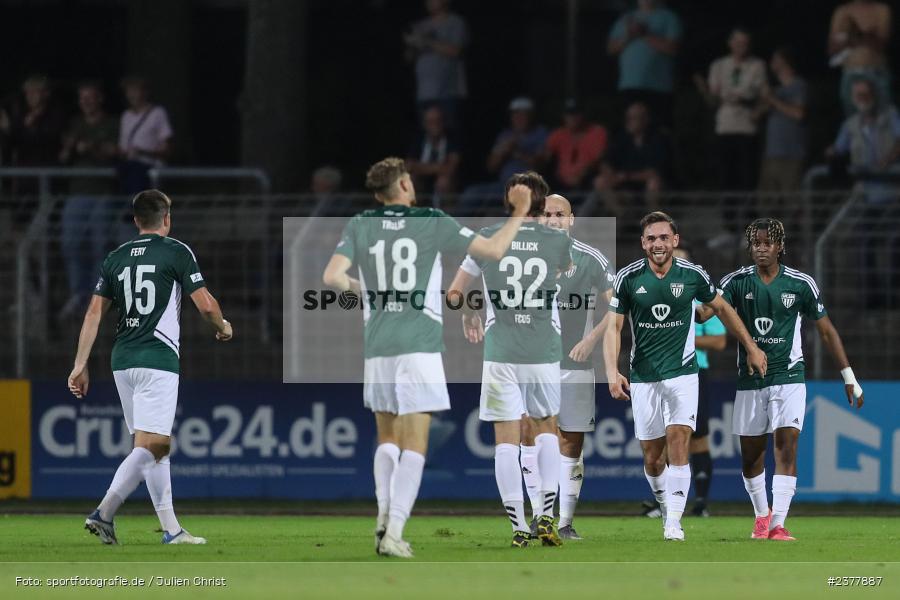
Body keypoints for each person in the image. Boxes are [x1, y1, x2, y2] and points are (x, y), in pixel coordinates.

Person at [322, 157, 532, 558]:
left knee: (386, 438)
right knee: (415, 442)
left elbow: (331, 277)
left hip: (379, 344)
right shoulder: (431, 219)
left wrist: (363, 289)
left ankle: (383, 518)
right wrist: (520, 210)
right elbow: (494, 249)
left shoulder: (360, 223)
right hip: (419, 344)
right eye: (409, 179)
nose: (413, 184)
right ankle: (395, 531)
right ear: (402, 185)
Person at [69, 189, 233, 546]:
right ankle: (104, 512)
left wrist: (80, 364)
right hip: (157, 358)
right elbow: (205, 304)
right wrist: (223, 326)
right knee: (154, 444)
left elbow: (94, 313)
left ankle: (172, 530)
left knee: (153, 445)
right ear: (167, 219)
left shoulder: (115, 258)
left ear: (136, 221)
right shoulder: (176, 251)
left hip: (122, 361)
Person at [603, 211, 767, 541]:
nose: (658, 243)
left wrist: (750, 345)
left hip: (684, 374)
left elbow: (722, 309)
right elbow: (615, 327)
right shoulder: (628, 278)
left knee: (680, 439)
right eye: (651, 238)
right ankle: (665, 505)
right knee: (652, 457)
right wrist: (612, 372)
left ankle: (673, 522)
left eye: (664, 237)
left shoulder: (692, 276)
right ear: (643, 243)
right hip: (644, 376)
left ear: (674, 241)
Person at [704, 218, 863, 540]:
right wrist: (691, 290)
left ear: (780, 246)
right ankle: (761, 516)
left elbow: (827, 331)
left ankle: (777, 523)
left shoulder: (800, 284)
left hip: (789, 375)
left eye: (768, 243)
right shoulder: (736, 283)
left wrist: (848, 376)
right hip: (750, 379)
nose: (761, 248)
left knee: (786, 445)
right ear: (750, 248)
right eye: (756, 243)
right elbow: (704, 313)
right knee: (751, 457)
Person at [447, 172, 572, 548]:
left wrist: (470, 311)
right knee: (547, 428)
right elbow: (559, 274)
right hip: (543, 350)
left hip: (501, 351)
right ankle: (546, 516)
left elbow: (455, 293)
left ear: (507, 199)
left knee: (505, 438)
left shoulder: (485, 238)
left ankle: (518, 526)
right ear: (542, 203)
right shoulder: (557, 241)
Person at [520, 193, 614, 540]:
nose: (554, 219)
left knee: (570, 443)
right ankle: (538, 517)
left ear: (571, 219)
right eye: (547, 214)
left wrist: (591, 340)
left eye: (560, 213)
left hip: (575, 365)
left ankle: (564, 521)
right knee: (529, 438)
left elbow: (618, 306)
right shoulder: (523, 255)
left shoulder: (590, 259)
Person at [827, 77, 900, 309]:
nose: (863, 99)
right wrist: (831, 155)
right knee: (863, 244)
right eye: (858, 95)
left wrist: (887, 160)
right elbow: (839, 148)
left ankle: (892, 297)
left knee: (892, 245)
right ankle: (873, 300)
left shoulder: (890, 115)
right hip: (866, 196)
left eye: (866, 94)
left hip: (892, 194)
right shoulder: (851, 124)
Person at [59, 81, 120, 320]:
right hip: (77, 191)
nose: (86, 102)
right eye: (82, 97)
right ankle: (78, 294)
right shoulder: (75, 124)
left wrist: (91, 147)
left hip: (102, 192)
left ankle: (99, 297)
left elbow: (115, 152)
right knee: (71, 244)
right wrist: (73, 148)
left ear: (100, 98)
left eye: (90, 97)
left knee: (100, 246)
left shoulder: (111, 124)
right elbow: (64, 155)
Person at [696, 28, 766, 190]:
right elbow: (714, 97)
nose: (742, 46)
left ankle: (749, 213)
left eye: (745, 43)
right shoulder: (719, 65)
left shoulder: (757, 65)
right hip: (725, 126)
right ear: (730, 43)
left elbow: (761, 94)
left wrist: (750, 104)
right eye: (738, 42)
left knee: (748, 175)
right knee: (726, 174)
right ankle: (728, 213)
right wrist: (704, 89)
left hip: (747, 126)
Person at [458, 97, 548, 216]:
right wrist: (503, 152)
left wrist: (516, 152)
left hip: (528, 186)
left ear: (531, 116)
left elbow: (539, 165)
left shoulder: (541, 134)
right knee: (470, 194)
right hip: (503, 185)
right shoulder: (505, 135)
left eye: (523, 114)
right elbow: (491, 167)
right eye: (515, 114)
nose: (518, 118)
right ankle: (460, 232)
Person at [607, 0, 682, 128]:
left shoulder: (668, 17)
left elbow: (673, 48)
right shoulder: (625, 19)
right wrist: (629, 35)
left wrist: (644, 34)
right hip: (629, 85)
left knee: (658, 131)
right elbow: (611, 49)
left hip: (659, 87)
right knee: (631, 131)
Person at [590, 102, 668, 223]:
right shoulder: (621, 139)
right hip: (625, 187)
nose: (630, 121)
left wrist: (626, 176)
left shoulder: (657, 139)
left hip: (645, 187)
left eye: (634, 118)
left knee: (654, 183)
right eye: (629, 118)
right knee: (600, 181)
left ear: (645, 119)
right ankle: (624, 217)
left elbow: (653, 172)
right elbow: (606, 161)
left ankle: (654, 221)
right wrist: (610, 174)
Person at [404, 0, 469, 132]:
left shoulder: (456, 22)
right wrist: (412, 44)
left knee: (450, 134)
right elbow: (408, 58)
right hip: (424, 93)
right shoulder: (420, 25)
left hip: (448, 91)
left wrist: (427, 42)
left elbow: (456, 50)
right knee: (426, 136)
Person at [757, 47, 808, 196]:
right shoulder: (775, 90)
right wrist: (765, 98)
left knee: (791, 202)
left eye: (775, 59)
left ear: (784, 62)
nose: (771, 63)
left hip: (791, 155)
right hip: (771, 155)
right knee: (768, 204)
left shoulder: (799, 85)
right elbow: (755, 116)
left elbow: (798, 114)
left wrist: (772, 100)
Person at [828, 1, 892, 115]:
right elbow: (832, 48)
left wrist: (855, 34)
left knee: (883, 118)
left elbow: (881, 43)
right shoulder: (843, 11)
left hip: (876, 72)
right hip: (850, 74)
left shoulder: (881, 9)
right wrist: (860, 35)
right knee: (854, 122)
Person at [118, 76, 173, 194]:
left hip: (148, 168)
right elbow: (122, 148)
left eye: (135, 91)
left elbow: (167, 149)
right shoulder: (126, 116)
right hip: (128, 168)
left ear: (145, 92)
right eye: (128, 91)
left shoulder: (158, 113)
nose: (131, 95)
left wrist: (142, 152)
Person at [542, 99, 608, 192]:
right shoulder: (558, 134)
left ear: (583, 114)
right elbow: (545, 156)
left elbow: (598, 159)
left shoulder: (597, 132)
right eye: (569, 114)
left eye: (576, 113)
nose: (573, 118)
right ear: (564, 116)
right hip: (560, 182)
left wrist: (581, 174)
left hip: (588, 179)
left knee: (600, 181)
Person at [406, 105, 461, 203]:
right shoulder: (419, 140)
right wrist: (438, 168)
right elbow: (409, 166)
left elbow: (451, 168)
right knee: (410, 180)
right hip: (422, 180)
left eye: (438, 121)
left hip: (445, 181)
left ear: (443, 122)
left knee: (444, 182)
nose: (435, 125)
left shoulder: (452, 140)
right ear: (425, 124)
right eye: (431, 122)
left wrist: (421, 167)